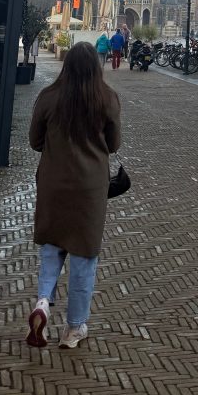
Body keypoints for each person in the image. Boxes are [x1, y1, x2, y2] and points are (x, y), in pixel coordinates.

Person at [26, 41, 121, 350]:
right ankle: (74, 329)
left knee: (52, 248)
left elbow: (34, 141)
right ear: (96, 68)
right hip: (89, 190)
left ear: (66, 66)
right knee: (83, 257)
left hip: (53, 185)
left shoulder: (48, 96)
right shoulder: (107, 98)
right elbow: (114, 144)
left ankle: (43, 303)